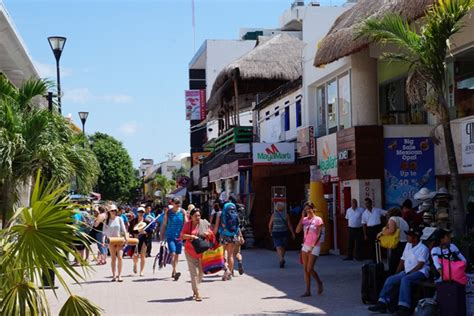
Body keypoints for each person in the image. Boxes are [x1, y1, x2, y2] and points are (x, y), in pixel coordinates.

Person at [368, 227, 429, 315]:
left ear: (415, 238)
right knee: (390, 279)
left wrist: (408, 273)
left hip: (420, 272)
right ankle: (382, 303)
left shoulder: (423, 248)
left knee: (405, 280)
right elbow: (402, 260)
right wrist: (397, 272)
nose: (407, 237)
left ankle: (404, 307)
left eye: (409, 236)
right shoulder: (408, 245)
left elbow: (420, 265)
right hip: (407, 271)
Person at [180, 208, 214, 302]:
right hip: (190, 251)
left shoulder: (204, 223)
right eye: (196, 216)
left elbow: (212, 234)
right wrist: (191, 236)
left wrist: (208, 233)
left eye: (199, 215)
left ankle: (195, 289)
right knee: (193, 273)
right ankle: (198, 292)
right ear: (191, 216)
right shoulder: (188, 224)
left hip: (202, 252)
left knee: (201, 272)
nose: (198, 217)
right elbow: (182, 235)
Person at [295, 201, 324, 297]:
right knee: (305, 269)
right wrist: (302, 217)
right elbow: (297, 230)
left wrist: (313, 245)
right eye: (306, 209)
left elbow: (320, 234)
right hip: (305, 245)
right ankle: (308, 290)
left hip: (315, 245)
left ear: (313, 208)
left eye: (309, 208)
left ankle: (319, 282)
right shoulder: (305, 220)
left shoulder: (318, 219)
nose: (308, 210)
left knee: (309, 268)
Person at [160, 198, 187, 281]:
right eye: (176, 203)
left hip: (179, 237)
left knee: (177, 254)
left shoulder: (182, 212)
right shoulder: (168, 212)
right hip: (170, 236)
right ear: (173, 203)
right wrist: (162, 237)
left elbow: (186, 223)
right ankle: (175, 271)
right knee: (173, 253)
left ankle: (173, 270)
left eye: (179, 202)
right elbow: (164, 225)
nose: (178, 204)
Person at [377, 207, 409, 275]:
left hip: (398, 244)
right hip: (405, 243)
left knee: (393, 264)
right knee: (402, 262)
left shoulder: (393, 218)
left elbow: (391, 230)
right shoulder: (404, 220)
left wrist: (382, 233)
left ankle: (392, 279)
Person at [215, 201, 241, 281]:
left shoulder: (220, 213)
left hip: (223, 235)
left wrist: (213, 234)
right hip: (232, 235)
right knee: (230, 255)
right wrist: (239, 235)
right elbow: (238, 226)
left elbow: (216, 225)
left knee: (222, 254)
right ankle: (230, 273)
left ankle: (226, 269)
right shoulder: (235, 213)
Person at [103, 204, 128, 282]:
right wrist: (103, 241)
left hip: (119, 239)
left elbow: (124, 230)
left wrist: (126, 238)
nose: (113, 212)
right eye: (112, 211)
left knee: (120, 257)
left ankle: (120, 275)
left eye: (114, 210)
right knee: (113, 258)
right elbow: (104, 233)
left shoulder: (119, 219)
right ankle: (114, 275)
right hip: (111, 240)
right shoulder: (106, 221)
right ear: (109, 212)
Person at [268, 202, 296, 268]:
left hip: (276, 232)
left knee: (278, 246)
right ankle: (282, 258)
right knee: (283, 247)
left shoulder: (273, 215)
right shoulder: (286, 215)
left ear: (276, 207)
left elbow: (270, 224)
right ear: (283, 208)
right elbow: (289, 225)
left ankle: (281, 259)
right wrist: (292, 233)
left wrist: (270, 231)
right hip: (284, 232)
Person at [129, 208, 148, 276]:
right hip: (135, 240)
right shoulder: (133, 221)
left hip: (144, 240)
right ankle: (135, 264)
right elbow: (130, 231)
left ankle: (142, 271)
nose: (141, 213)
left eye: (142, 212)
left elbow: (151, 231)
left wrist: (145, 232)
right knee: (135, 256)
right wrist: (134, 234)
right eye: (139, 212)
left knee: (143, 255)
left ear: (144, 213)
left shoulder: (147, 222)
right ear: (137, 212)